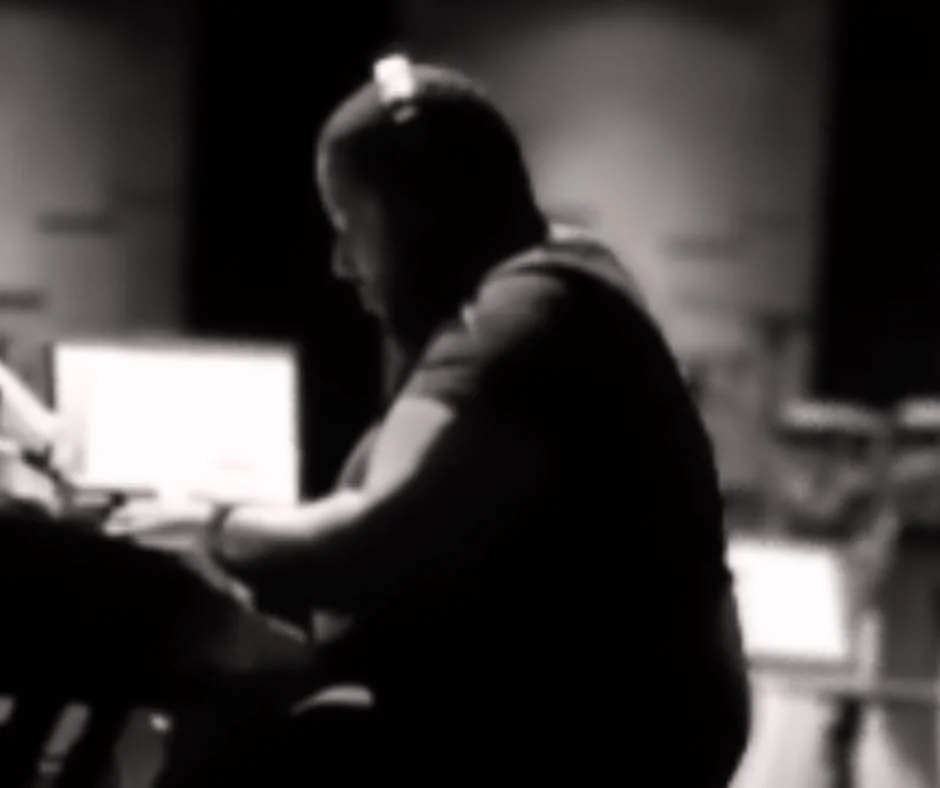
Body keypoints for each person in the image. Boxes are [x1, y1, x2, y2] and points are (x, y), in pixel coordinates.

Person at [108, 56, 750, 785]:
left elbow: (363, 544)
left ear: (417, 213)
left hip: (582, 743)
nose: (341, 263)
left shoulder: (528, 316)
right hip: (569, 722)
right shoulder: (556, 283)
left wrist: (208, 523)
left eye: (351, 224)